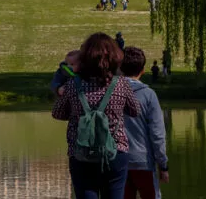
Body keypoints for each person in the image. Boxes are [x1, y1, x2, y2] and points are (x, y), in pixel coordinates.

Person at [53, 33, 141, 199]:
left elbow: (57, 113)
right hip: (115, 150)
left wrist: (76, 113)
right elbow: (135, 111)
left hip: (81, 152)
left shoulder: (73, 85)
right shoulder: (121, 84)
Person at [121, 47, 169, 199]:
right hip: (143, 161)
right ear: (142, 70)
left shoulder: (110, 93)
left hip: (116, 161)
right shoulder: (148, 95)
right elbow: (157, 134)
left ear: (120, 68)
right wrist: (163, 165)